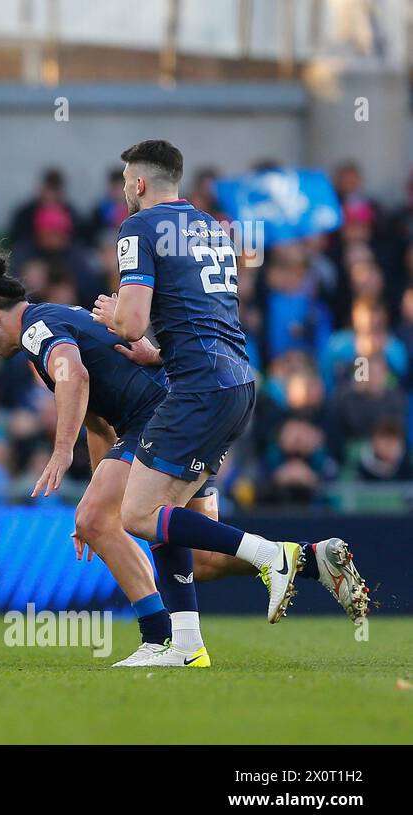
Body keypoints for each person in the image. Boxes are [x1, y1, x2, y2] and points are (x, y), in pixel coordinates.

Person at [93, 139, 368, 632]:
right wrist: (157, 353)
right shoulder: (212, 228)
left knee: (137, 514)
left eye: (126, 181)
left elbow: (132, 322)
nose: (125, 191)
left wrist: (116, 319)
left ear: (138, 183)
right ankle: (187, 639)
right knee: (180, 532)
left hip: (198, 389)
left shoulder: (137, 226)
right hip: (236, 382)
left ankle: (273, 555)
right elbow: (206, 321)